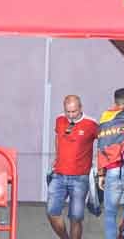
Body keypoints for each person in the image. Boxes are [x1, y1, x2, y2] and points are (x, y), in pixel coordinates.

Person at [43, 95, 100, 239]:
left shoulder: (91, 124)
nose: (71, 115)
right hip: (59, 175)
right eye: (68, 111)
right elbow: (58, 137)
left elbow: (103, 144)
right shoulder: (60, 120)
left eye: (74, 111)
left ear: (80, 108)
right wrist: (57, 157)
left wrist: (100, 166)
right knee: (52, 211)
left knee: (76, 217)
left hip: (80, 177)